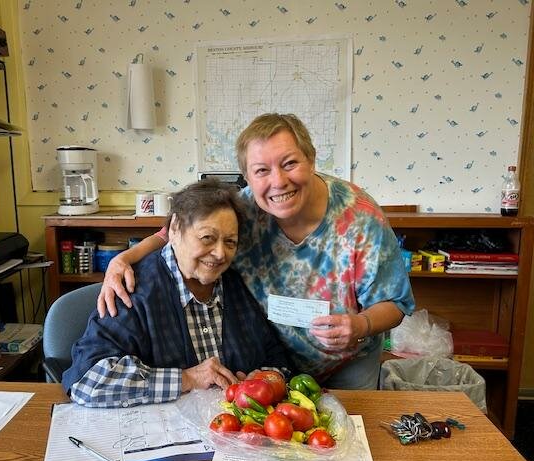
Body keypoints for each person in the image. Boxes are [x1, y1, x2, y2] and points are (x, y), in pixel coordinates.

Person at [97, 113, 415, 390]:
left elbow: (396, 302)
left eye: (289, 163)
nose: (278, 181)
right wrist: (123, 259)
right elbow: (175, 234)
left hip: (347, 363)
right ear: (247, 177)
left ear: (311, 159)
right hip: (272, 363)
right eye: (262, 170)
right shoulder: (244, 208)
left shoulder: (360, 219)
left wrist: (360, 325)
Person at [62, 179, 291, 407]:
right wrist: (187, 379)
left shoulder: (236, 284)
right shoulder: (133, 290)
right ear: (174, 229)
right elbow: (87, 381)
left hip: (229, 433)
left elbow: (276, 358)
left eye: (230, 242)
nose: (220, 253)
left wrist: (266, 380)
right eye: (207, 238)